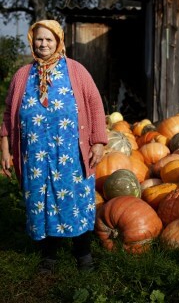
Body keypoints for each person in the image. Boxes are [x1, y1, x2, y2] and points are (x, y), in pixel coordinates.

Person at [0, 20, 108, 273]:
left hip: (70, 154)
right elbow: (8, 114)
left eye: (49, 39)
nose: (44, 44)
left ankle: (83, 254)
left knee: (75, 200)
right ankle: (49, 256)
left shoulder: (76, 70)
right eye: (39, 39)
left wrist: (98, 141)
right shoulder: (22, 75)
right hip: (35, 157)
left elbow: (94, 103)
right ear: (32, 41)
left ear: (58, 41)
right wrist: (5, 149)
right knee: (40, 201)